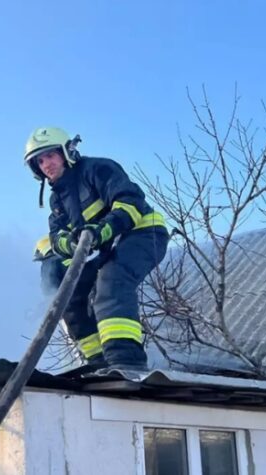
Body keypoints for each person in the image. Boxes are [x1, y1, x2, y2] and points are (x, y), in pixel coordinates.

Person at [25, 127, 169, 371]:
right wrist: (70, 243)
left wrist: (101, 230)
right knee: (69, 296)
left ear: (67, 151)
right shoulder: (57, 200)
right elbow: (56, 236)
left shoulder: (98, 169)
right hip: (105, 249)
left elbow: (129, 203)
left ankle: (126, 361)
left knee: (112, 282)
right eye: (40, 160)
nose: (46, 164)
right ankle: (97, 362)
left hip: (142, 234)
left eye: (50, 155)